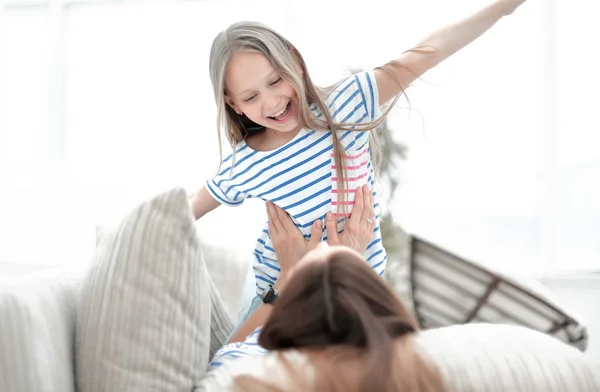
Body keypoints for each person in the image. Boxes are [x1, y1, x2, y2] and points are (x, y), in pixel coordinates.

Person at [189, 0, 529, 336]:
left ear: (294, 60)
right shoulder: (245, 163)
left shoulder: (347, 104)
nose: (272, 102)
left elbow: (427, 52)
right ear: (233, 104)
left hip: (356, 297)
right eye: (250, 97)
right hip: (280, 306)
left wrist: (502, 8)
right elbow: (183, 213)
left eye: (276, 80)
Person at [196, 210, 600, 392]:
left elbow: (228, 352)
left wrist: (287, 275)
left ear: (293, 308)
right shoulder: (418, 361)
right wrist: (350, 264)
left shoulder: (248, 366)